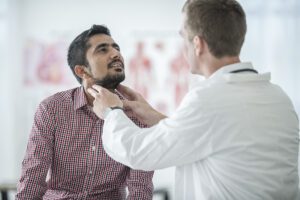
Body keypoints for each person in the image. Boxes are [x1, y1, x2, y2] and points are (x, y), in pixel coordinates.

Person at [87, 1, 300, 200]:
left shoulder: (209, 99)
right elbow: (218, 138)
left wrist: (111, 112)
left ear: (197, 44)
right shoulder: (278, 97)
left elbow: (137, 151)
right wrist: (157, 117)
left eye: (184, 36)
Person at [16, 25, 154, 200]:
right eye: (103, 50)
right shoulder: (51, 109)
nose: (116, 54)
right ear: (81, 71)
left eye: (116, 48)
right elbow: (33, 175)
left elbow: (140, 188)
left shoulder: (137, 113)